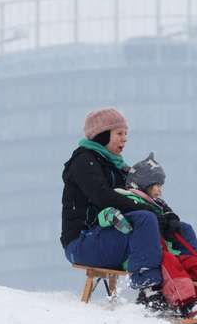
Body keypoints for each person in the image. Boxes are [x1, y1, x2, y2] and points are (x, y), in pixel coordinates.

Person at [61, 107, 173, 311]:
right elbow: (102, 196)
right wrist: (150, 212)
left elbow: (141, 194)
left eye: (126, 134)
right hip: (82, 243)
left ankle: (193, 289)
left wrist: (167, 216)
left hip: (110, 236)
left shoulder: (118, 167)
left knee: (181, 228)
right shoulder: (84, 161)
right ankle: (149, 291)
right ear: (102, 135)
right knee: (146, 219)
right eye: (119, 133)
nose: (125, 139)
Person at [125, 153, 197, 323]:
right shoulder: (129, 200)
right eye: (156, 185)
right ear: (143, 183)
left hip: (165, 249)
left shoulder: (158, 203)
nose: (160, 190)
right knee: (171, 263)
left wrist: (171, 220)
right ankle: (186, 304)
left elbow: (168, 214)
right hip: (147, 254)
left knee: (190, 261)